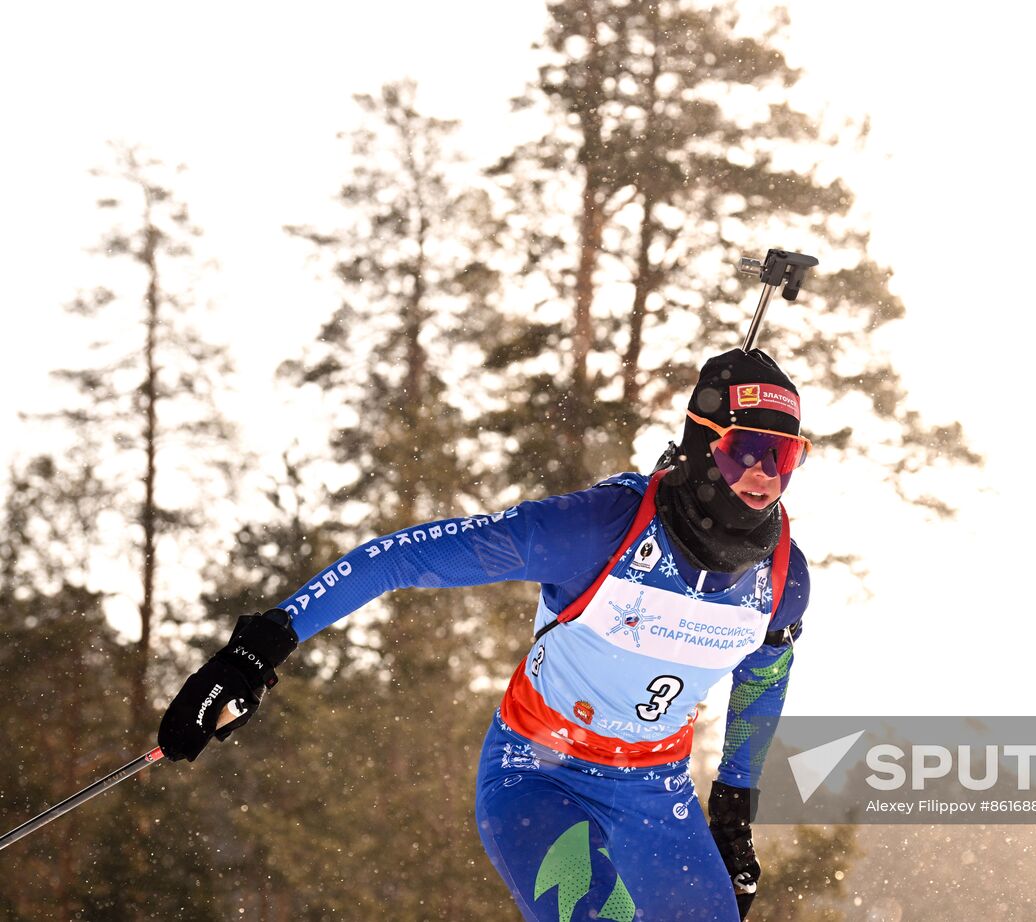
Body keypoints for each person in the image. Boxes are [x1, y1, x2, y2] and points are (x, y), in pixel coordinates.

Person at [158, 348, 812, 922]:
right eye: (744, 453)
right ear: (701, 447)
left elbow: (762, 679)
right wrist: (256, 651)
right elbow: (402, 558)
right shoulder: (594, 530)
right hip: (540, 774)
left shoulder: (783, 577)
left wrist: (731, 810)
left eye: (782, 459)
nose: (762, 479)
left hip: (656, 787)